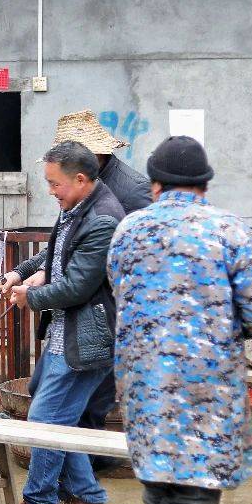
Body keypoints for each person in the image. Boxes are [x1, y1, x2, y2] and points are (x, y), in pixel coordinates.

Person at [107, 136, 252, 504]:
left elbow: (120, 288)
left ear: (156, 184)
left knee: (160, 477)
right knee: (197, 484)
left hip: (142, 380)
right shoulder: (229, 230)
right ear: (204, 184)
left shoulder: (129, 229)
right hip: (204, 382)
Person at [0, 141, 124, 504]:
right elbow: (55, 254)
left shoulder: (103, 219)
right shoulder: (76, 208)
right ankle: (86, 497)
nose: (50, 191)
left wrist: (30, 297)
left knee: (45, 419)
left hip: (86, 336)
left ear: (81, 179)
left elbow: (77, 286)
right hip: (66, 333)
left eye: (55, 184)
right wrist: (21, 272)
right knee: (57, 418)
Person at [52, 110, 150, 472]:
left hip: (112, 304)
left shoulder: (130, 191)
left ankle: (88, 472)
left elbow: (140, 256)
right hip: (87, 301)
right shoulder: (77, 187)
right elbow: (63, 242)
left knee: (96, 393)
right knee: (77, 390)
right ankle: (84, 471)